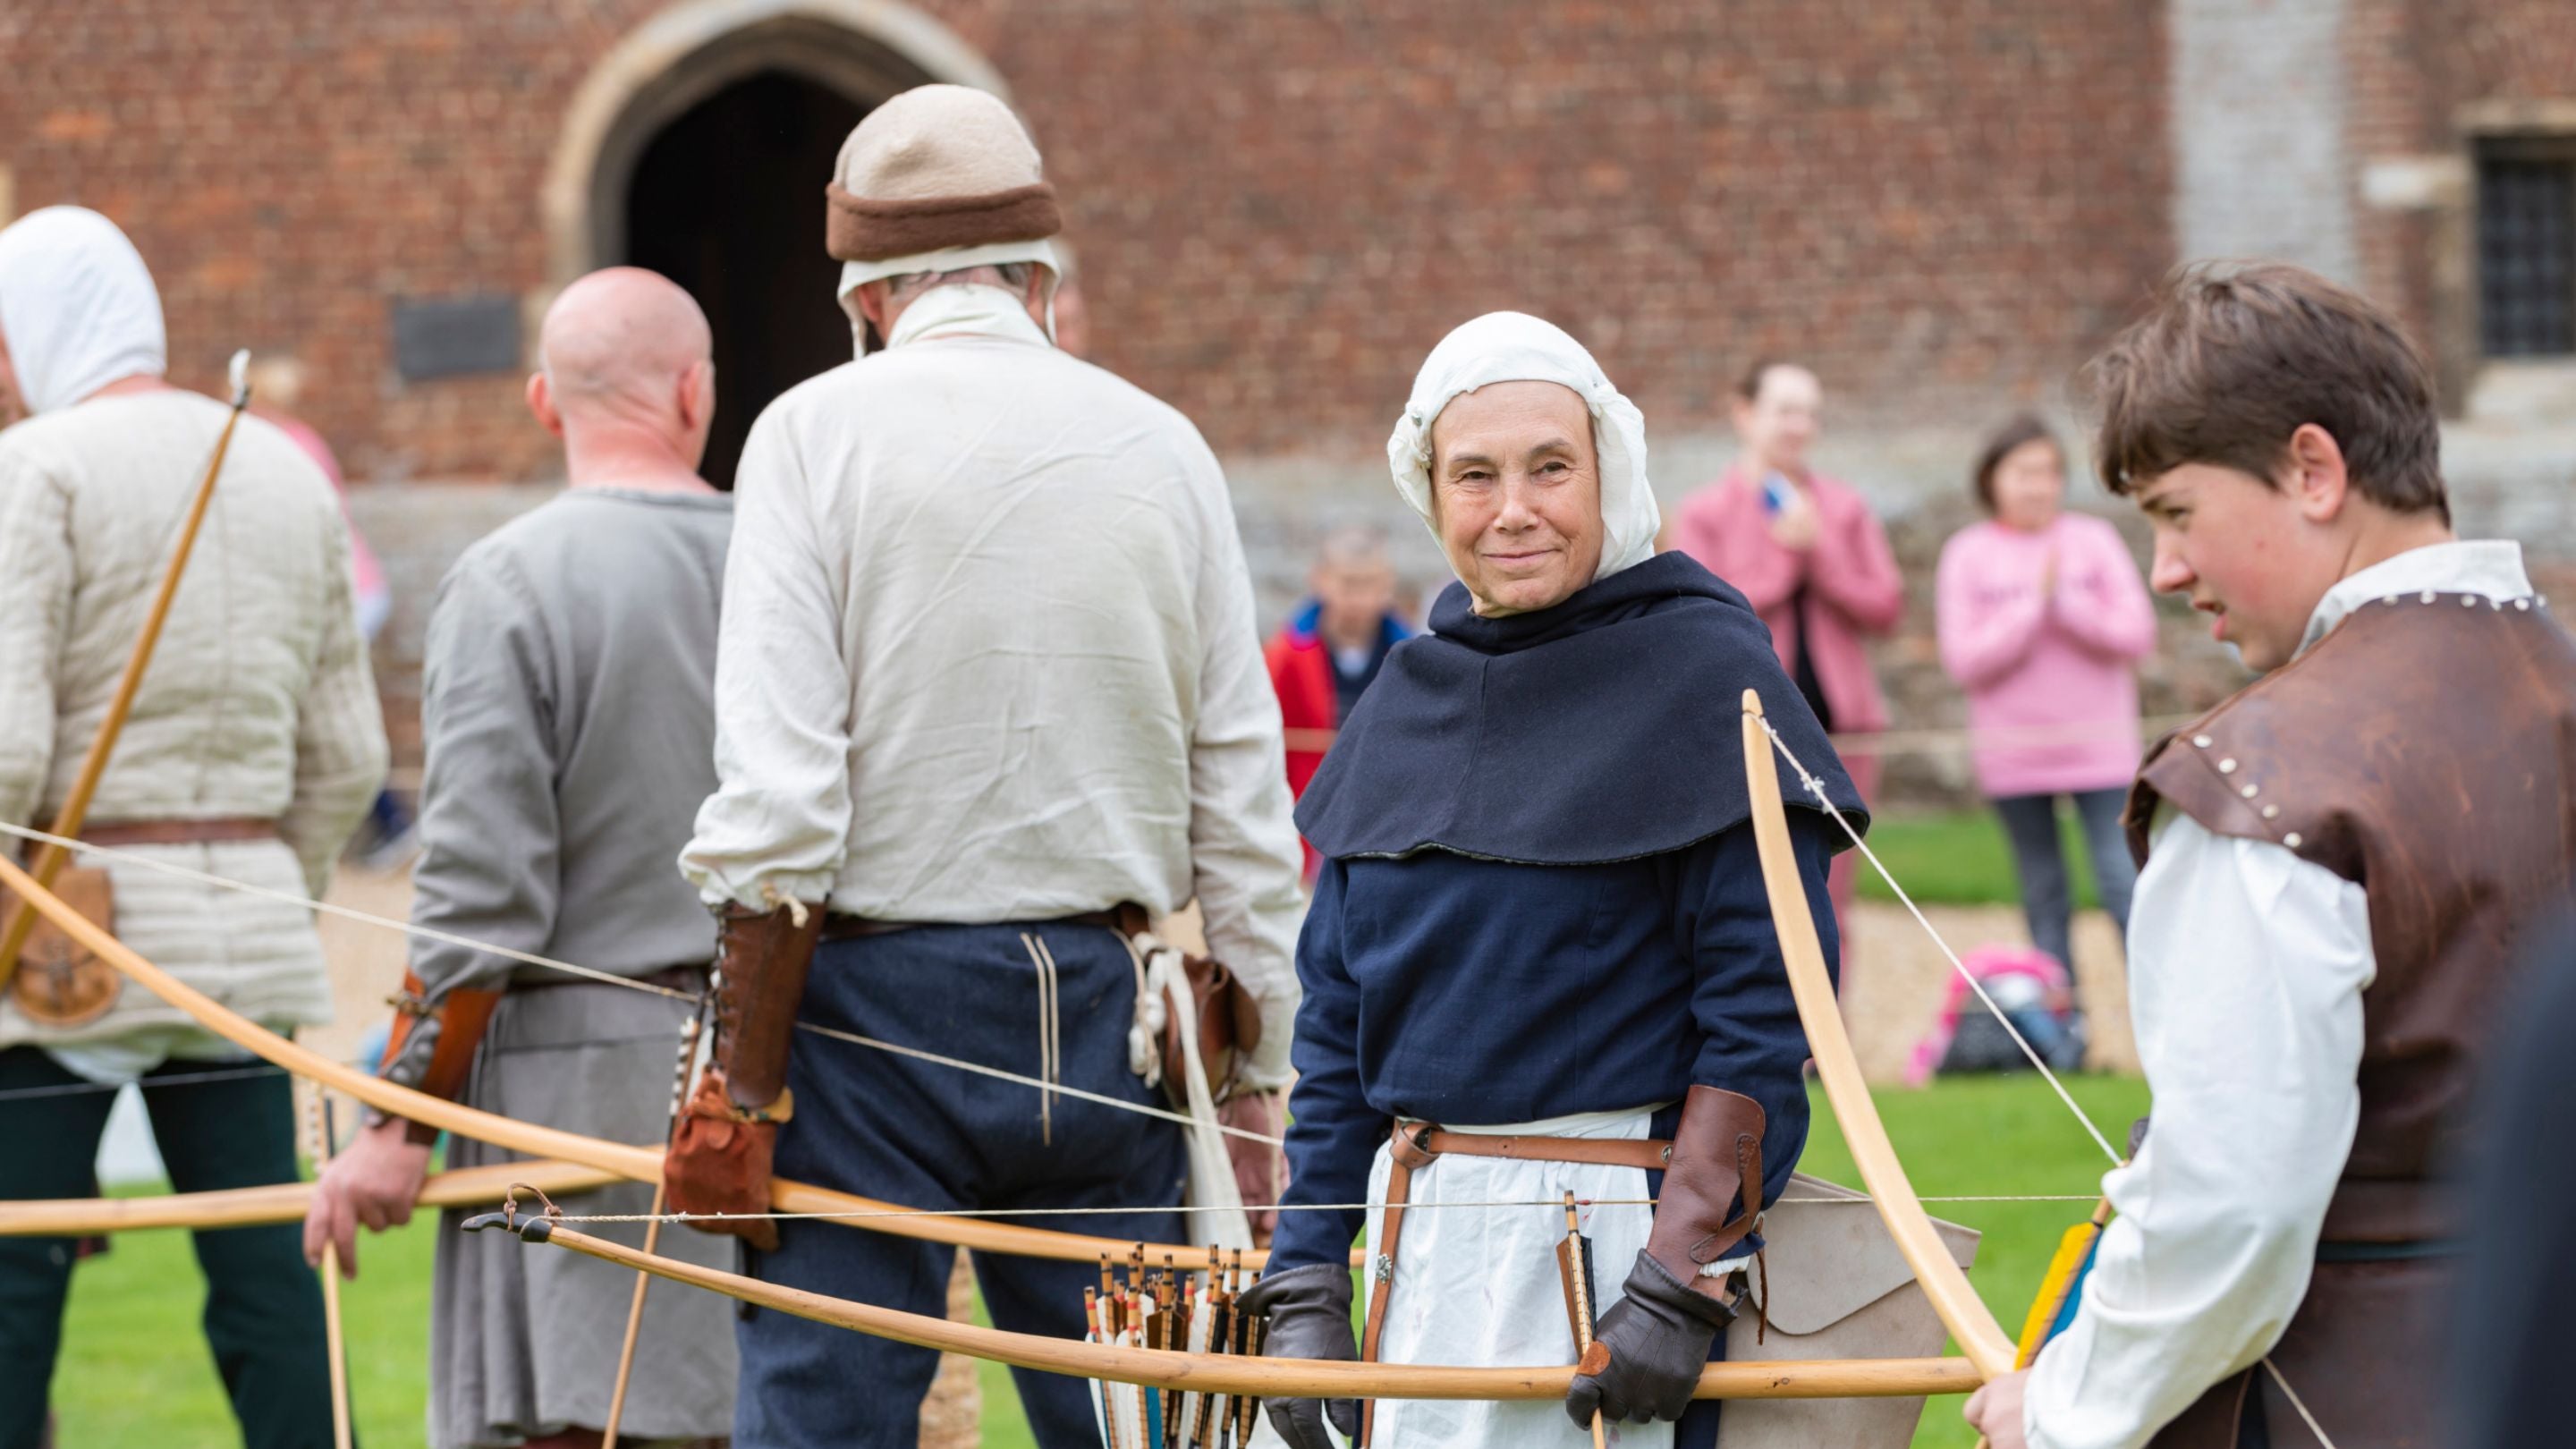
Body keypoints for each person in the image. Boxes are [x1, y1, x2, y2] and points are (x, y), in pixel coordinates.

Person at [665, 85, 1304, 1449]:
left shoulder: (808, 434)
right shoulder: (1164, 443)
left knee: (826, 1424)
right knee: (1147, 1431)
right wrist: (1259, 1080)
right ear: (1037, 280)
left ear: (870, 297)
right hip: (1101, 1008)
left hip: (864, 1015)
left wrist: (741, 1080)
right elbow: (1245, 805)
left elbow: (778, 808)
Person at [1962, 264, 2576, 1449]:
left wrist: (2064, 1405)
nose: (2166, 572)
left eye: (2177, 514)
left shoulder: (2266, 779)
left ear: (2312, 470)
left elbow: (2231, 1205)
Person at [1242, 312, 1857, 1449]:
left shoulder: (1708, 674)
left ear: (1607, 474)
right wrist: (1308, 1279)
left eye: (1549, 468)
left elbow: (1762, 1008)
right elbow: (1335, 1031)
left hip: (1618, 1258)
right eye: (1474, 475)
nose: (1513, 508)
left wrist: (1680, 1273)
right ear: (1431, 495)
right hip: (1415, 1248)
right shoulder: (1401, 700)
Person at [302, 268, 738, 1449]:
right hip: (782, 1084)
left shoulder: (511, 578)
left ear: (545, 403)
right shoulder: (789, 560)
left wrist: (396, 1128)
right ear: (696, 393)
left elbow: (477, 902)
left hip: (574, 1111)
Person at [0, 206, 388, 1449]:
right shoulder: (279, 462)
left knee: (14, 1282)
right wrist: (272, 877)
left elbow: (5, 751)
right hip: (249, 935)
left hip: (58, 944)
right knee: (272, 1286)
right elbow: (348, 759)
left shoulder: (34, 466)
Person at [1668, 361, 1901, 977]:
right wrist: (1780, 565)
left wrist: (1820, 554)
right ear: (1744, 414)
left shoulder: (1844, 508)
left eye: (1810, 413)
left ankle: (1830, 1060)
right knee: (1750, 898)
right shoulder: (1705, 512)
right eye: (1785, 410)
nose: (1799, 426)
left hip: (1842, 731)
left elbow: (1884, 606)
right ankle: (1767, 1054)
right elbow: (1695, 618)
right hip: (1739, 736)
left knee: (1833, 900)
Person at [1935, 416, 2155, 989]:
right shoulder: (1967, 553)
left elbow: (2136, 634)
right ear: (1992, 479)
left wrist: (2069, 605)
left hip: (2101, 750)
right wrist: (2032, 605)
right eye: (2024, 472)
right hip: (2013, 755)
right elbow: (1965, 660)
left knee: (2121, 881)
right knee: (2043, 892)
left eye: (2050, 472)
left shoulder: (2094, 540)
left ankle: (2160, 1015)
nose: (2038, 485)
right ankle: (2064, 1029)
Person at [245, 356, 414, 869]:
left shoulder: (281, 448)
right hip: (348, 588)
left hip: (347, 591)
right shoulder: (295, 441)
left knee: (325, 708)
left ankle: (390, 823)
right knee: (318, 706)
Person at [1265, 526, 1412, 869]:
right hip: (1302, 823)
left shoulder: (1411, 655)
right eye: (1348, 584)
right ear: (1320, 580)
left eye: (1369, 584)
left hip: (1383, 820)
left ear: (1387, 583)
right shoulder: (1285, 656)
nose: (1359, 599)